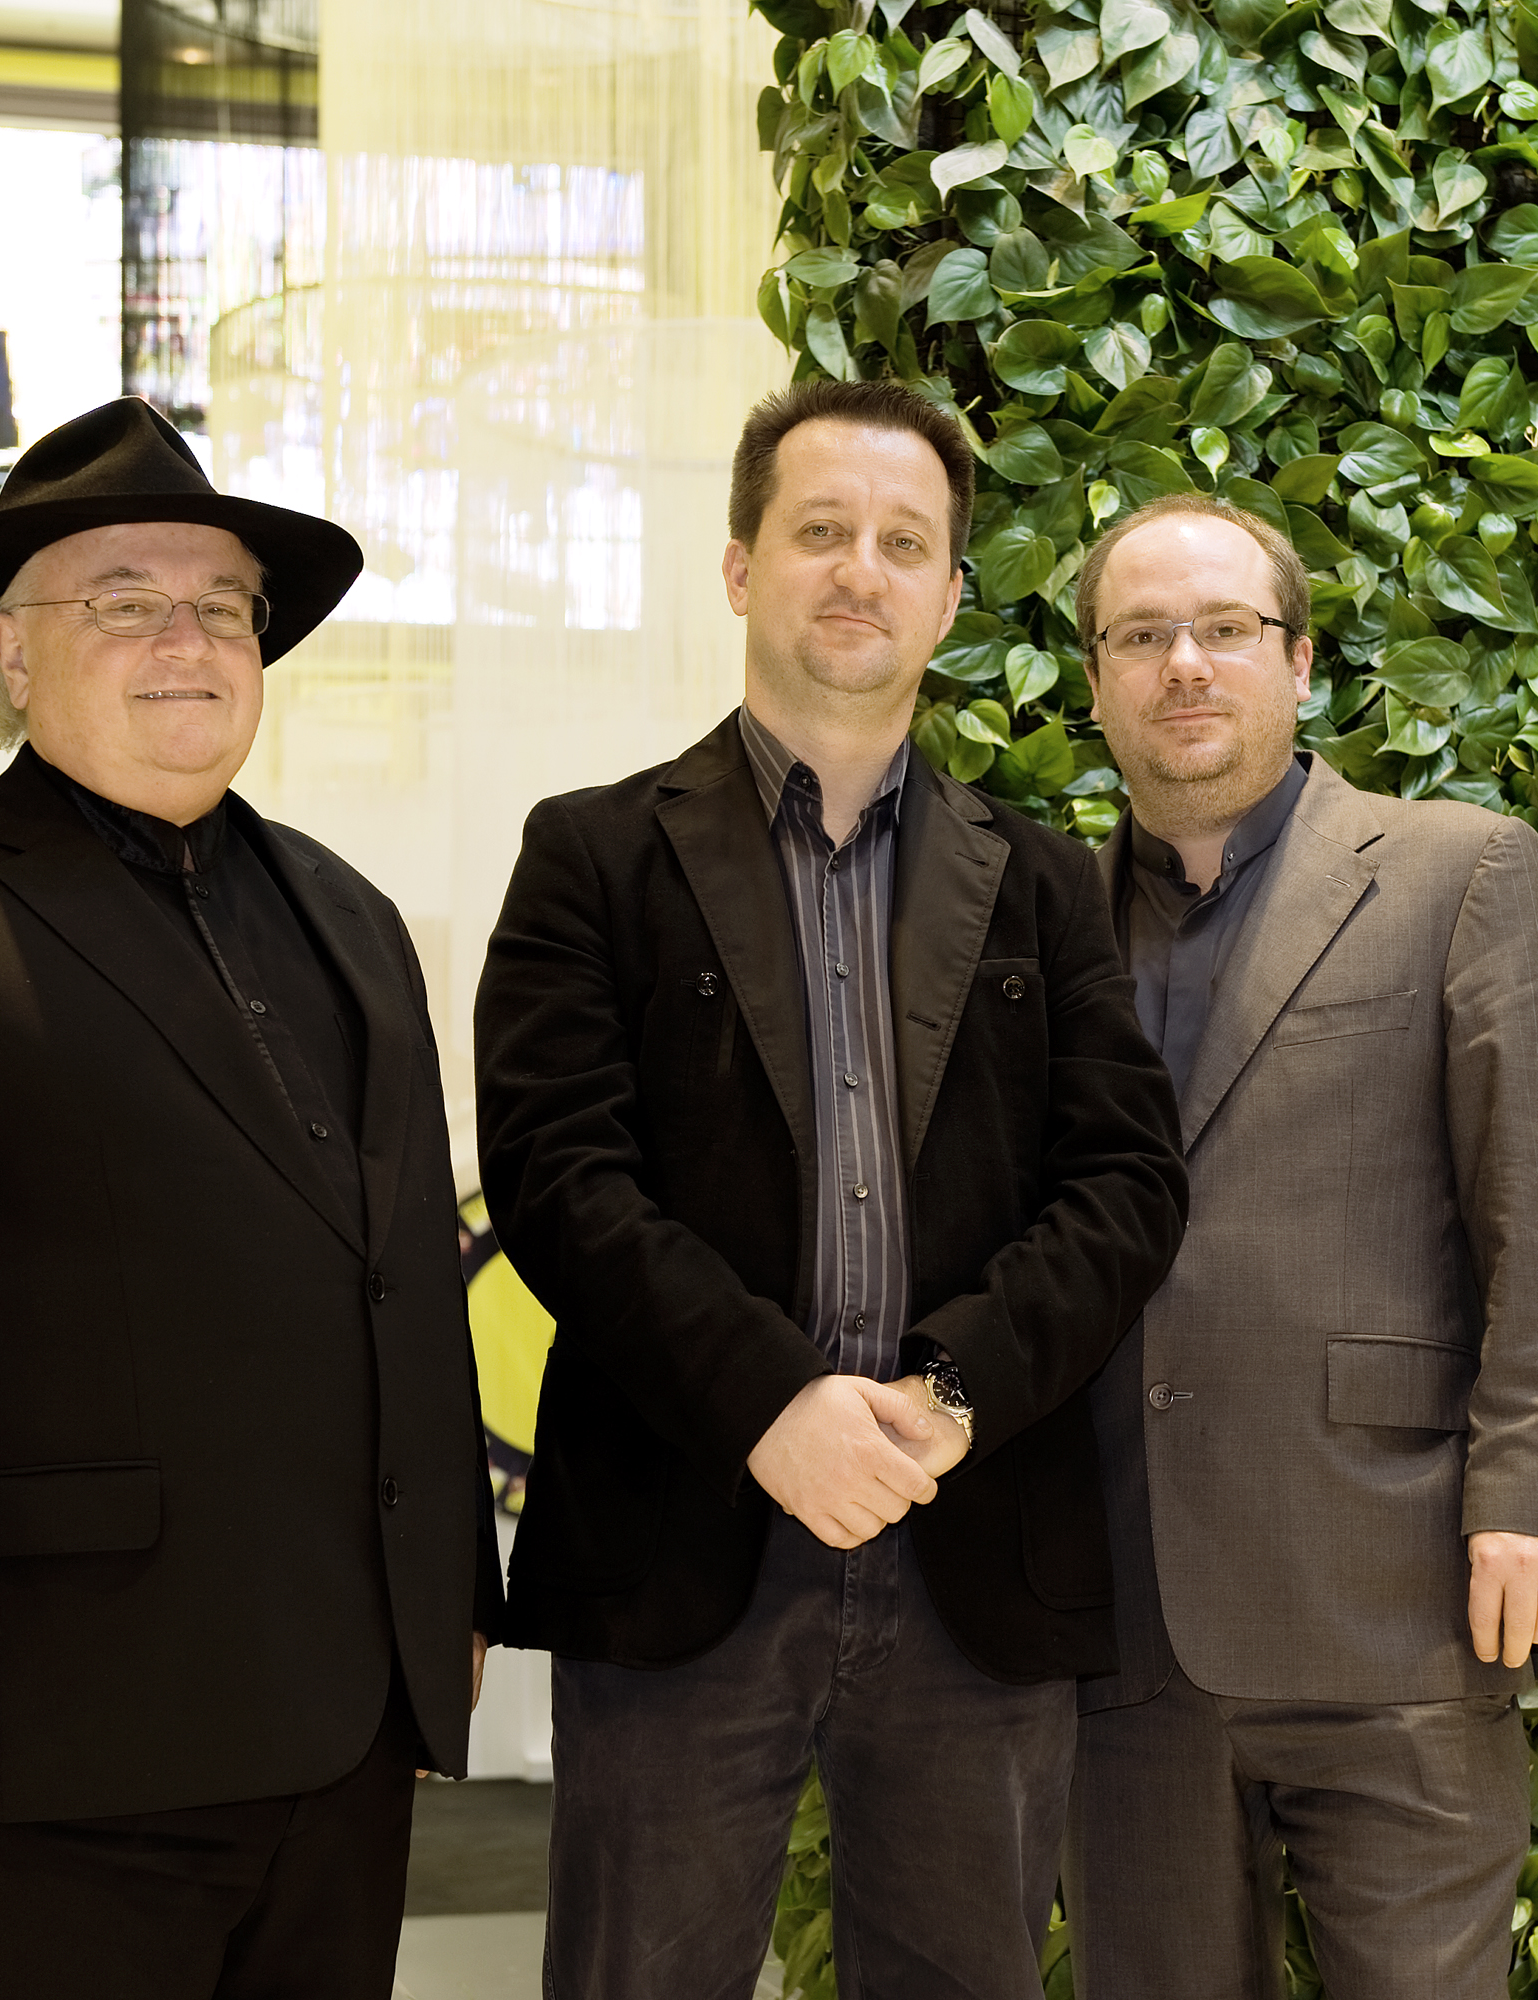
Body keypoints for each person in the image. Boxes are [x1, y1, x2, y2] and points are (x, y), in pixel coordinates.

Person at [0, 396, 498, 2000]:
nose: (184, 641)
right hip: (44, 1725)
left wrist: (443, 1606)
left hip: (339, 1721)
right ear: (11, 653)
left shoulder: (352, 918)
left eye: (222, 607)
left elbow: (402, 1279)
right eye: (123, 601)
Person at [474, 377, 1189, 2000]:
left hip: (967, 1547)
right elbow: (558, 1176)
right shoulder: (591, 857)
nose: (860, 569)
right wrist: (773, 1403)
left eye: (902, 542)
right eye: (819, 532)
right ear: (741, 567)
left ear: (949, 596)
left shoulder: (1043, 884)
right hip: (678, 1544)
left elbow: (1125, 1185)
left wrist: (948, 1394)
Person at [1063, 493, 1538, 1999]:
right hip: (1123, 1627)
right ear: (1097, 681)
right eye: (1141, 635)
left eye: (1225, 628)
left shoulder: (1460, 870)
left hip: (1396, 1599)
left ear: (1300, 661)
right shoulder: (1044, 921)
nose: (1185, 663)